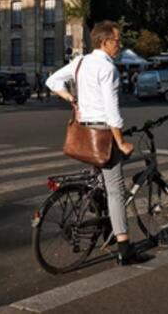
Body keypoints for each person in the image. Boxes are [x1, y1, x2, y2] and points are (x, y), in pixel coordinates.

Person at [46, 20, 149, 267]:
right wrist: (121, 142)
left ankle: (105, 227)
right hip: (102, 135)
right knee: (116, 191)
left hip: (83, 134)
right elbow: (112, 113)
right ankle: (125, 248)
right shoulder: (108, 69)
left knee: (102, 184)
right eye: (117, 40)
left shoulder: (80, 62)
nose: (120, 45)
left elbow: (52, 82)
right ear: (104, 42)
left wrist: (72, 99)